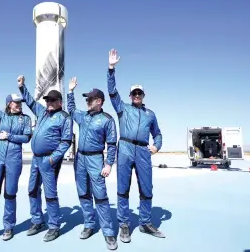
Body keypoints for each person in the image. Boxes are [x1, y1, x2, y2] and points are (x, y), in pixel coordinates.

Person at [106, 49, 165, 242]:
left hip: (143, 151)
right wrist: (111, 68)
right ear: (130, 95)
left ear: (143, 95)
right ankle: (124, 224)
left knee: (146, 187)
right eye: (134, 93)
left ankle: (145, 222)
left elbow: (157, 134)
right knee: (123, 188)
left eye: (139, 93)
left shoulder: (150, 114)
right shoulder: (123, 108)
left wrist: (156, 146)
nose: (137, 95)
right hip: (124, 149)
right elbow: (112, 92)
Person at [0, 72, 33, 246]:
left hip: (14, 160)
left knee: (10, 194)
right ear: (9, 104)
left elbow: (26, 138)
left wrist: (9, 136)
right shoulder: (1, 116)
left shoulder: (26, 119)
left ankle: (9, 226)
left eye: (20, 103)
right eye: (16, 103)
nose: (19, 105)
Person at [18, 75, 73, 242]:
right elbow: (30, 102)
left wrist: (53, 159)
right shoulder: (42, 112)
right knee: (32, 190)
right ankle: (37, 220)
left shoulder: (64, 117)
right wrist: (22, 87)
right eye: (48, 100)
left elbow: (66, 141)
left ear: (59, 102)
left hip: (49, 160)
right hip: (36, 159)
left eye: (52, 100)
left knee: (50, 194)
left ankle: (54, 226)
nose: (49, 102)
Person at [67, 77, 118, 250]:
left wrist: (109, 163)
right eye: (87, 99)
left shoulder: (107, 120)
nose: (87, 102)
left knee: (100, 196)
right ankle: (89, 224)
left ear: (99, 101)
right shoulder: (83, 116)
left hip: (96, 159)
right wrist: (70, 92)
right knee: (83, 193)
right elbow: (71, 109)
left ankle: (109, 233)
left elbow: (112, 144)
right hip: (80, 158)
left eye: (90, 99)